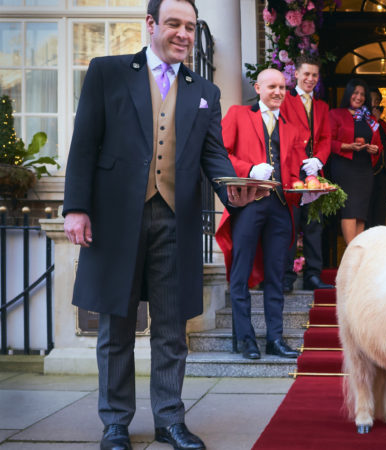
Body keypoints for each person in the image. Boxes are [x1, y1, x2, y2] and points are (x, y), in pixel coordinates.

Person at [61, 1, 258, 449]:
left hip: (176, 219)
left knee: (172, 327)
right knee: (116, 325)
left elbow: (213, 156)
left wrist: (234, 191)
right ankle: (115, 423)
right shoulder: (107, 72)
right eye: (173, 24)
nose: (184, 34)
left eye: (190, 26)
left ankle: (170, 420)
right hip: (115, 220)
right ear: (150, 24)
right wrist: (76, 207)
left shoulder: (204, 89)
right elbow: (85, 144)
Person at [215, 68, 306, 361]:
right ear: (258, 88)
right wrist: (248, 169)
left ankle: (275, 339)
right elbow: (220, 153)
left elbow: (293, 170)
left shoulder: (291, 127)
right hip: (249, 204)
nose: (278, 92)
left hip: (280, 207)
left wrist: (309, 176)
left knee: (277, 276)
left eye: (282, 87)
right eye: (272, 87)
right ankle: (247, 340)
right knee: (240, 275)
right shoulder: (239, 115)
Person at [280, 55, 334, 292]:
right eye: (306, 74)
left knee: (314, 226)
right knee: (289, 225)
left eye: (314, 75)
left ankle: (313, 275)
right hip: (291, 171)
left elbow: (325, 138)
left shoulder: (322, 106)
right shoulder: (284, 100)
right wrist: (300, 158)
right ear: (296, 75)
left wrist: (318, 159)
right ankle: (285, 277)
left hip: (313, 174)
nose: (310, 79)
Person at [327, 78, 383, 244]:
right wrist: (347, 146)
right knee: (350, 211)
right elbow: (328, 142)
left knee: (360, 213)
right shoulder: (336, 114)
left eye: (362, 94)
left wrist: (375, 149)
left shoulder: (370, 118)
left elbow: (378, 145)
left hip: (365, 169)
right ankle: (351, 253)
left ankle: (357, 253)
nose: (359, 97)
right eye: (355, 93)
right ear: (348, 94)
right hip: (345, 168)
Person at [366, 88, 386, 228]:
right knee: (366, 214)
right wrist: (374, 120)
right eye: (373, 100)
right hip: (367, 173)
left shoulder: (384, 124)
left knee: (380, 214)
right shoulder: (360, 120)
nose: (376, 103)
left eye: (377, 100)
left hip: (383, 174)